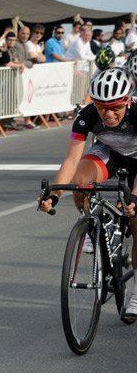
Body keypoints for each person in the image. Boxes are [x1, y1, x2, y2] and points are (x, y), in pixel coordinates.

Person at [39, 68, 137, 318]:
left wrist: (134, 197)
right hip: (110, 153)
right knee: (81, 179)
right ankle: (94, 224)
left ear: (127, 101)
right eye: (102, 106)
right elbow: (72, 159)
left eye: (115, 106)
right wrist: (55, 194)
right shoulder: (86, 115)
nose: (108, 113)